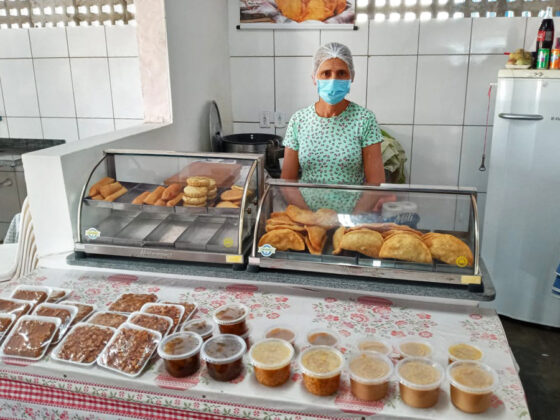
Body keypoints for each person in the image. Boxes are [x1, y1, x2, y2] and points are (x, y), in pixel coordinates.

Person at [281, 42, 390, 213]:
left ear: (351, 77)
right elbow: (287, 181)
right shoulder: (299, 120)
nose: (333, 80)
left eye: (341, 73)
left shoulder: (364, 119)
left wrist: (350, 222)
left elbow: (375, 183)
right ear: (314, 78)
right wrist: (311, 219)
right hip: (308, 218)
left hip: (352, 217)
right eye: (326, 73)